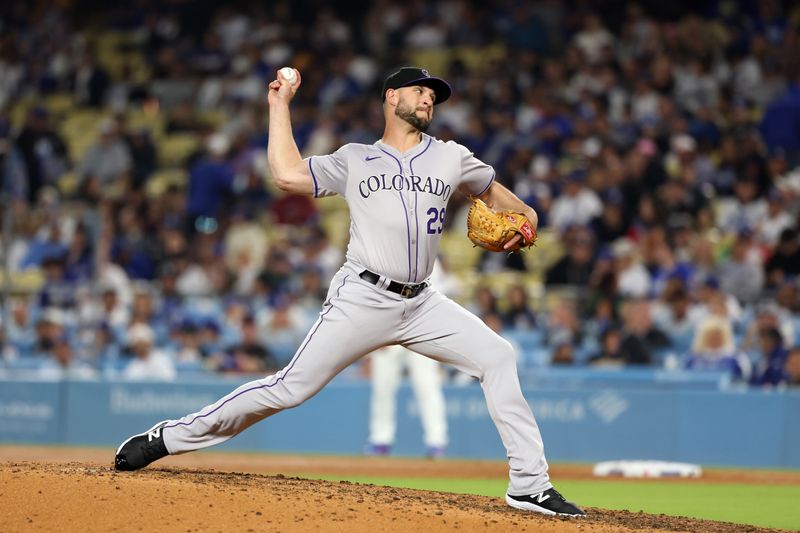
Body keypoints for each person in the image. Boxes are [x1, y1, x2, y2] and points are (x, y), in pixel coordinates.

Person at [114, 66, 585, 517]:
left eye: (433, 95)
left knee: (498, 356)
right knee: (289, 389)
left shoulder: (451, 156)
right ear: (391, 97)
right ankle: (169, 438)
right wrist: (280, 105)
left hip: (423, 302)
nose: (429, 98)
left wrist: (525, 222)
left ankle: (529, 485)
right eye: (420, 90)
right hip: (363, 296)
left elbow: (512, 204)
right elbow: (285, 174)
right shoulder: (355, 159)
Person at [365, 344, 448, 458]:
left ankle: (436, 442)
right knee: (382, 390)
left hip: (420, 335)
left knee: (428, 389)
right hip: (389, 337)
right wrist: (379, 338)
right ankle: (380, 441)